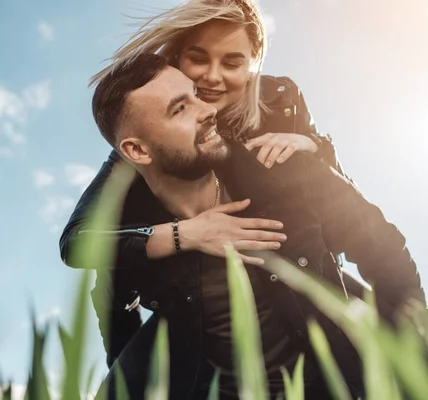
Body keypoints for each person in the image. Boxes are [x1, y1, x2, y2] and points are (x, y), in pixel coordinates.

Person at [69, 53, 424, 399]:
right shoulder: (138, 237)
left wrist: (413, 362)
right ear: (138, 151)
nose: (208, 110)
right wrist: (184, 235)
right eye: (180, 109)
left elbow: (387, 256)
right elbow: (112, 306)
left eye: (194, 95)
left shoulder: (289, 171)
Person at [62, 0, 355, 373]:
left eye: (232, 63)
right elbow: (78, 243)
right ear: (176, 59)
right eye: (198, 59)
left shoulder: (280, 101)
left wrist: (313, 147)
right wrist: (186, 234)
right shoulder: (141, 149)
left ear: (252, 63)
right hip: (193, 297)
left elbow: (343, 204)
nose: (213, 78)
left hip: (302, 270)